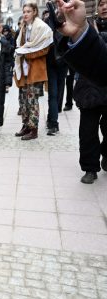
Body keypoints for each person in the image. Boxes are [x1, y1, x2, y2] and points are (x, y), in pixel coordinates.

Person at [71, 0, 107, 184]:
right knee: (87, 131)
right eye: (101, 3)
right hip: (89, 87)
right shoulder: (85, 26)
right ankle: (90, 168)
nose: (104, 7)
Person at [13, 2, 52, 140]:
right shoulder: (23, 28)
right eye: (24, 11)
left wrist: (27, 53)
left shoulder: (42, 27)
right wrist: (21, 52)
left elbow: (45, 48)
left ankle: (33, 129)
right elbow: (21, 46)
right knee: (23, 100)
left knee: (32, 100)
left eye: (28, 11)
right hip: (23, 69)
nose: (25, 14)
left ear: (34, 12)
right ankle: (26, 126)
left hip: (35, 70)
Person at [55, 0, 107, 86]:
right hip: (85, 92)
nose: (104, 7)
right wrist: (79, 31)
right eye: (101, 4)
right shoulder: (91, 24)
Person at [42, 9, 68, 136]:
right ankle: (53, 122)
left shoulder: (69, 22)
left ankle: (52, 119)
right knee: (54, 93)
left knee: (56, 93)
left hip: (62, 63)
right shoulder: (49, 22)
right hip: (53, 63)